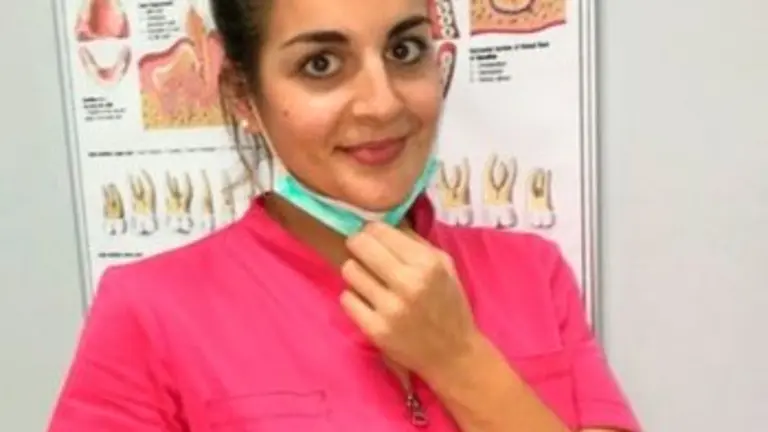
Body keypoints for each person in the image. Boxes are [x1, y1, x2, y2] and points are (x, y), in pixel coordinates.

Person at [48, 0, 641, 431]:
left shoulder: (532, 273)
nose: (382, 103)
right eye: (321, 65)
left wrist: (460, 360)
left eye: (404, 51)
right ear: (242, 96)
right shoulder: (149, 311)